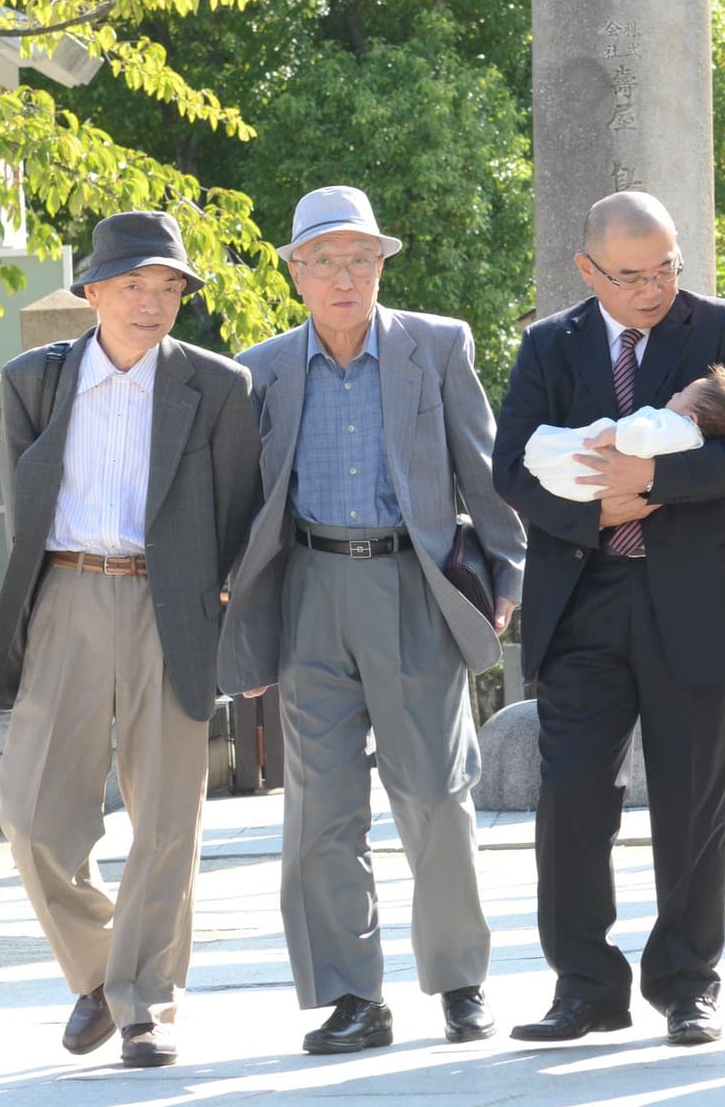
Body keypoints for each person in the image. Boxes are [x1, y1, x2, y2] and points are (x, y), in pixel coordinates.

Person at [217, 186, 525, 1054]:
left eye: (360, 258)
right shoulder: (261, 369)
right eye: (324, 260)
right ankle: (354, 998)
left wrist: (507, 573)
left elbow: (484, 468)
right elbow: (241, 496)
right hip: (308, 589)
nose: (344, 276)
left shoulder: (435, 346)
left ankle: (460, 981)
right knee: (319, 808)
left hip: (412, 585)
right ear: (295, 273)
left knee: (435, 793)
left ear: (382, 264)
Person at [492, 191, 725, 1047]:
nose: (654, 288)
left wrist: (649, 488)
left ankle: (687, 982)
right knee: (573, 796)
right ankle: (585, 985)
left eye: (667, 268)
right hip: (584, 599)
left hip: (696, 596)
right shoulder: (550, 345)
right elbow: (512, 468)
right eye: (632, 275)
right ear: (588, 271)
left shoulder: (723, 330)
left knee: (696, 802)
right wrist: (602, 510)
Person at [0, 211, 260, 1068]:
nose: (153, 303)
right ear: (93, 293)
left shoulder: (216, 387)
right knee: (31, 820)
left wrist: (237, 632)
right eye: (134, 285)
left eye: (169, 287)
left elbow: (240, 518)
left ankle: (147, 1008)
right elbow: (23, 513)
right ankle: (106, 970)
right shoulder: (33, 379)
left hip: (170, 606)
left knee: (167, 819)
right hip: (62, 598)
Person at [524, 363, 725, 502]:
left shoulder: (681, 429)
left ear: (692, 418)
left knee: (557, 452)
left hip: (604, 459)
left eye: (683, 394)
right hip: (600, 477)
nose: (675, 395)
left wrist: (615, 434)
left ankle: (539, 453)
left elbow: (643, 437)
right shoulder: (685, 433)